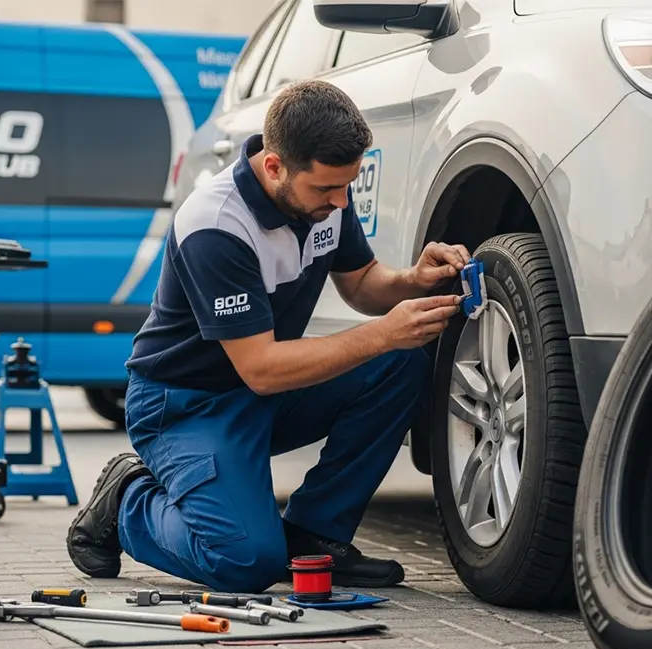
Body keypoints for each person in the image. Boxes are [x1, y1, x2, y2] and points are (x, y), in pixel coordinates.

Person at [67, 79, 470, 593]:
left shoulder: (325, 198)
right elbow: (259, 369)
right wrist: (382, 334)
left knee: (402, 363)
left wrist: (413, 279)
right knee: (245, 563)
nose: (341, 200)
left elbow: (363, 284)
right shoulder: (215, 224)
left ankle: (314, 536)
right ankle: (128, 500)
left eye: (347, 185)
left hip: (265, 391)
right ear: (275, 165)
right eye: (326, 188)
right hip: (187, 406)